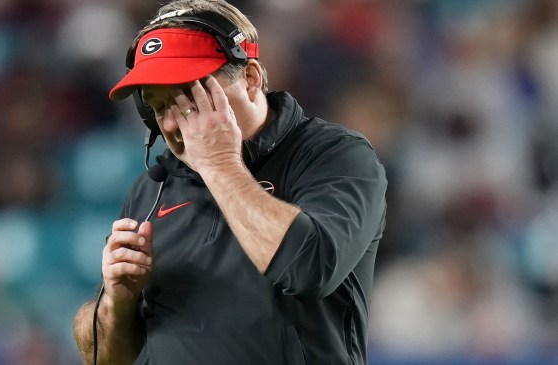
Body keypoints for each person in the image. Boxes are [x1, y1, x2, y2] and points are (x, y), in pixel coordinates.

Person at [73, 1, 387, 364]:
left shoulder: (333, 155)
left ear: (251, 79)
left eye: (190, 99)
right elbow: (109, 360)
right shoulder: (151, 189)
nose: (174, 125)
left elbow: (311, 268)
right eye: (159, 108)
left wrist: (219, 165)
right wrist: (118, 304)